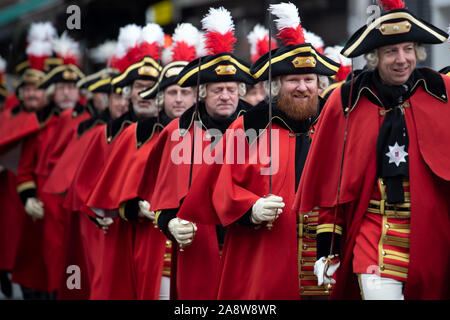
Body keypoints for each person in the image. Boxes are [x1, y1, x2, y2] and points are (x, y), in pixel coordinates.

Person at [176, 2, 339, 299]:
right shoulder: (249, 127)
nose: (302, 87)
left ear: (320, 84)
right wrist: (250, 208)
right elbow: (219, 189)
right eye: (293, 80)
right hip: (265, 263)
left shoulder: (334, 126)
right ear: (276, 85)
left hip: (325, 263)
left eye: (308, 80)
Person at [295, 0, 450, 300]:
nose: (401, 59)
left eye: (407, 49)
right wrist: (326, 250)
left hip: (433, 239)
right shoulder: (346, 101)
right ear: (375, 56)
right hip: (373, 235)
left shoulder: (441, 92)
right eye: (391, 51)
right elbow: (330, 187)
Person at [137, 7, 254, 300]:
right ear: (202, 93)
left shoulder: (262, 130)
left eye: (230, 88)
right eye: (217, 90)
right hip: (197, 251)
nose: (225, 96)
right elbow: (162, 201)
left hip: (248, 250)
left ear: (240, 90)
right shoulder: (177, 132)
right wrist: (171, 223)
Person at [86, 22, 199, 300]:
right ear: (160, 98)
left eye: (186, 92)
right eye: (172, 93)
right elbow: (111, 202)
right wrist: (138, 207)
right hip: (154, 247)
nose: (179, 99)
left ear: (197, 96)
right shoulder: (135, 134)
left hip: (202, 248)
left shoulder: (217, 135)